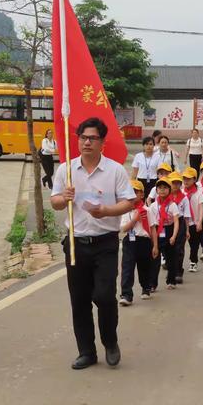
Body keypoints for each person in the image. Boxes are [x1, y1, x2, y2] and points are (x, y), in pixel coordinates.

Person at [50, 117, 135, 370]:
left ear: (102, 142)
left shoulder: (115, 170)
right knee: (80, 298)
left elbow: (129, 202)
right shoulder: (65, 170)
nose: (87, 142)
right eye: (83, 137)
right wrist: (63, 197)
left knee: (105, 295)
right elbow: (54, 202)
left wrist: (107, 211)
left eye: (92, 138)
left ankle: (110, 341)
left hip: (105, 242)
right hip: (76, 243)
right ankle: (86, 351)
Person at [119, 180, 152, 306]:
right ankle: (126, 294)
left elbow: (152, 228)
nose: (132, 195)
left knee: (144, 266)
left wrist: (154, 245)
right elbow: (124, 229)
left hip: (144, 241)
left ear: (142, 194)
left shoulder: (147, 210)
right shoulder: (125, 210)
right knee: (127, 267)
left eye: (135, 192)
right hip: (130, 241)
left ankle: (146, 287)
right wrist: (134, 219)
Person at [148, 177, 179, 290]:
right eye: (160, 188)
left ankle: (171, 280)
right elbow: (150, 223)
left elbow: (176, 221)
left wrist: (174, 236)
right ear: (156, 190)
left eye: (165, 188)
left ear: (169, 190)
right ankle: (152, 284)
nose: (162, 190)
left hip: (169, 230)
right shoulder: (153, 206)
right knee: (154, 258)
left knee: (171, 258)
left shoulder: (172, 205)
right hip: (157, 231)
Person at [168, 172, 190, 284]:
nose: (175, 185)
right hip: (168, 223)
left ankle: (178, 272)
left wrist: (187, 230)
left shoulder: (184, 198)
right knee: (168, 248)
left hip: (180, 223)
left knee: (179, 248)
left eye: (177, 183)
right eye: (173, 183)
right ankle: (171, 268)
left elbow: (186, 216)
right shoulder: (165, 197)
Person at [183, 167, 203, 273]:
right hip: (183, 223)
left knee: (194, 244)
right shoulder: (181, 192)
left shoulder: (198, 193)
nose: (186, 181)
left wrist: (200, 222)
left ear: (194, 180)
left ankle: (193, 261)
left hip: (194, 222)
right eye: (184, 179)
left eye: (189, 179)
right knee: (180, 245)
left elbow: (201, 208)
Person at [131, 136, 159, 201]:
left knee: (152, 201)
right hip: (141, 181)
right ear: (143, 146)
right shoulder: (138, 156)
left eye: (150, 144)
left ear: (154, 145)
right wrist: (132, 183)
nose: (148, 146)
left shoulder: (157, 156)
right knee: (140, 201)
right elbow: (135, 171)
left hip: (153, 181)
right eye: (146, 144)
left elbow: (159, 171)